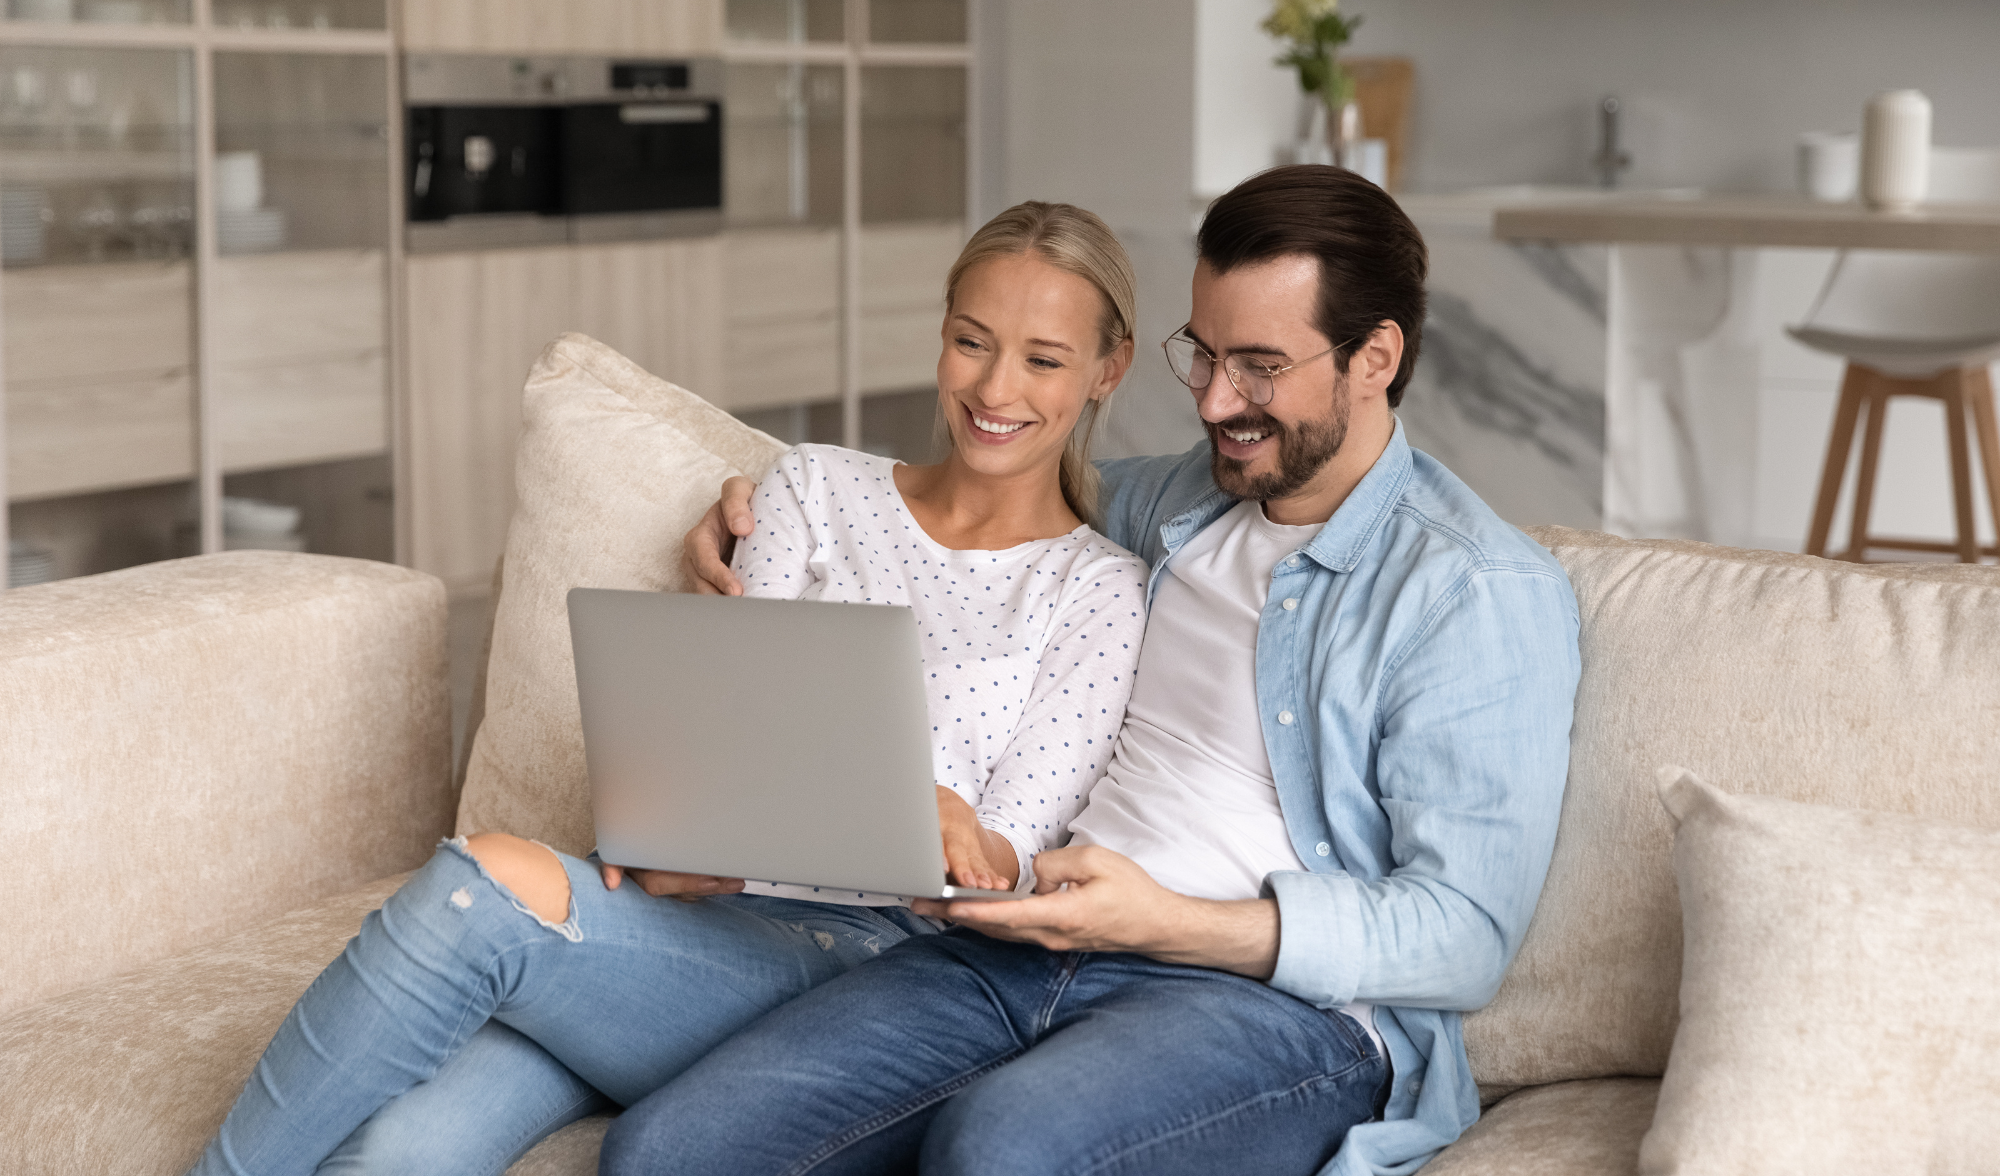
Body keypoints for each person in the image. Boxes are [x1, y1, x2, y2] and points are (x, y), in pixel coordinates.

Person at [635, 164, 1581, 1176]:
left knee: (998, 1150)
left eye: (1257, 365)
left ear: (1373, 357)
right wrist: (743, 499)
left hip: (1269, 1008)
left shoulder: (1470, 590)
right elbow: (965, 481)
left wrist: (1166, 922)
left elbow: (1463, 933)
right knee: (669, 1147)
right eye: (1202, 354)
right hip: (1022, 946)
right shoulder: (1169, 501)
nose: (1216, 402)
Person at [187, 201, 1151, 1176]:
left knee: (480, 886)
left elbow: (1007, 870)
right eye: (970, 342)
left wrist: (928, 811)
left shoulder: (1095, 590)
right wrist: (678, 834)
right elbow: (723, 725)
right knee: (402, 1149)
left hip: (868, 967)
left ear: (1104, 370)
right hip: (681, 916)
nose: (994, 386)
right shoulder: (811, 487)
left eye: (1042, 358)